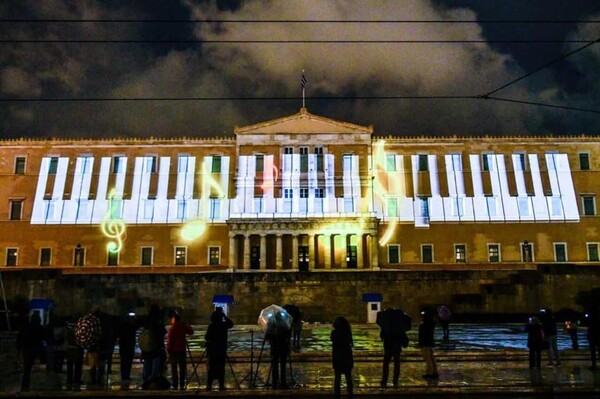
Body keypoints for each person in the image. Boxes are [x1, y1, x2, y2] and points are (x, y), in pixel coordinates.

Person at [377, 308, 409, 388]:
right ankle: (395, 380)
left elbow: (382, 336)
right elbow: (403, 336)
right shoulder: (399, 325)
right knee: (396, 363)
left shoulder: (386, 325)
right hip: (397, 347)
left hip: (388, 346)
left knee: (386, 364)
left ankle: (384, 381)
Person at [205, 307, 234, 391]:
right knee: (221, 368)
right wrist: (224, 316)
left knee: (211, 368)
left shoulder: (211, 326)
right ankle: (221, 385)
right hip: (221, 350)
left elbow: (207, 337)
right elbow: (232, 324)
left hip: (212, 350)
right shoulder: (224, 325)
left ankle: (209, 385)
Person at [16, 313, 46, 391]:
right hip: (36, 348)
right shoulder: (40, 328)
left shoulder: (26, 327)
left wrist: (19, 348)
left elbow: (20, 338)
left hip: (27, 348)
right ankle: (35, 384)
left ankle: (25, 383)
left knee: (27, 367)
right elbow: (43, 338)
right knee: (36, 366)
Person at [141, 304, 167, 390]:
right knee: (155, 371)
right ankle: (152, 384)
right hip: (156, 351)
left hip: (147, 351)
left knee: (147, 369)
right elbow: (162, 333)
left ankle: (146, 383)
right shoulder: (158, 324)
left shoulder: (147, 322)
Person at [166, 312, 194, 390]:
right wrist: (186, 324)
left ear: (174, 319)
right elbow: (191, 332)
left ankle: (175, 384)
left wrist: (168, 350)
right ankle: (182, 384)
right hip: (181, 350)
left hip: (173, 351)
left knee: (174, 369)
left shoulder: (172, 328)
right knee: (182, 368)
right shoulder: (183, 327)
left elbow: (170, 341)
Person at [265, 315, 291, 389]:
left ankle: (275, 383)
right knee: (283, 366)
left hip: (274, 348)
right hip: (283, 347)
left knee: (275, 366)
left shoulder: (271, 325)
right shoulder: (285, 324)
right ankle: (283, 382)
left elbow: (267, 337)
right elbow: (288, 336)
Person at [331, 316, 353, 399]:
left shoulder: (334, 333)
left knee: (337, 379)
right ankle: (350, 394)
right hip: (347, 357)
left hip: (337, 358)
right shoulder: (347, 332)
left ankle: (337, 395)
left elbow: (333, 340)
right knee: (348, 378)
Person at [117, 313, 139, 387]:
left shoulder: (121, 327)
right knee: (128, 362)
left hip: (123, 347)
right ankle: (126, 376)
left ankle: (124, 376)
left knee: (123, 362)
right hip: (130, 346)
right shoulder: (132, 327)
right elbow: (137, 325)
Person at [418, 309, 438, 379]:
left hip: (425, 343)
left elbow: (422, 334)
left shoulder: (425, 324)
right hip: (430, 342)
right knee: (432, 358)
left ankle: (430, 373)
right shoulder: (431, 323)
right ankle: (434, 372)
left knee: (427, 358)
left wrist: (420, 343)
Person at [65, 316, 84, 389]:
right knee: (78, 366)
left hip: (70, 350)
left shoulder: (69, 330)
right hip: (78, 350)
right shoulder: (80, 331)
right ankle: (77, 380)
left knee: (70, 366)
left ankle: (69, 380)